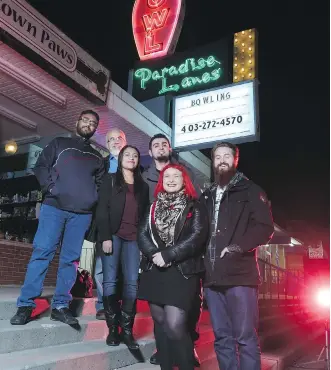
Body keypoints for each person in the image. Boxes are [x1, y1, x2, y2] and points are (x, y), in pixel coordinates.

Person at [10, 110, 105, 326]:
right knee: (42, 253)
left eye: (93, 123)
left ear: (95, 129)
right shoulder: (60, 143)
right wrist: (51, 187)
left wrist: (91, 200)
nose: (88, 124)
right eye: (85, 120)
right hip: (54, 208)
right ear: (77, 121)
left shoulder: (97, 157)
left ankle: (61, 306)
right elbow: (41, 166)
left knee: (70, 260)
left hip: (81, 215)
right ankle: (26, 304)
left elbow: (99, 186)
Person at [200, 142, 274, 370]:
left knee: (245, 338)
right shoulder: (207, 195)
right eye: (217, 156)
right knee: (222, 339)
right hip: (212, 279)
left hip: (240, 276)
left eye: (226, 156)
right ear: (213, 162)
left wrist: (237, 247)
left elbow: (264, 228)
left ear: (235, 160)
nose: (221, 160)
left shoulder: (251, 190)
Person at [138, 164, 209, 370]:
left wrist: (169, 254)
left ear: (184, 180)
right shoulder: (152, 207)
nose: (170, 179)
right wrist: (154, 254)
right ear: (161, 181)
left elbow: (197, 238)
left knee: (175, 325)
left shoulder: (194, 207)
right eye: (166, 176)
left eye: (175, 176)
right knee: (160, 324)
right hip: (155, 270)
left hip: (182, 271)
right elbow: (141, 234)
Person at [96, 145, 149, 349]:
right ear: (120, 159)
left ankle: (127, 330)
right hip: (114, 236)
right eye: (127, 155)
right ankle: (112, 330)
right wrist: (106, 237)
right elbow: (102, 210)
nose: (131, 158)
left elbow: (144, 216)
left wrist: (144, 241)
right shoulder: (110, 180)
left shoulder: (142, 187)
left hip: (134, 239)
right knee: (110, 281)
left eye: (135, 155)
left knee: (132, 283)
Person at [94, 128, 127, 320]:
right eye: (111, 139)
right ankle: (102, 304)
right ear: (106, 144)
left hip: (126, 223)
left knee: (122, 267)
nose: (115, 142)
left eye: (119, 138)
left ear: (125, 141)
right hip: (105, 222)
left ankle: (119, 303)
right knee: (101, 266)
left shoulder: (133, 163)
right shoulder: (101, 165)